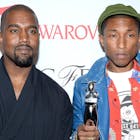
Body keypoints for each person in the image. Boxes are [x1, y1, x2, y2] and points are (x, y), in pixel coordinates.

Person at [0, 4, 73, 140]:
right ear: (1, 37)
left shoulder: (58, 98)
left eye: (32, 31)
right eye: (15, 31)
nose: (24, 38)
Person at [72, 3, 140, 140]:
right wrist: (80, 136)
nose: (122, 44)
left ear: (139, 39)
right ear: (102, 40)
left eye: (130, 35)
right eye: (113, 35)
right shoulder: (84, 85)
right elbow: (77, 130)